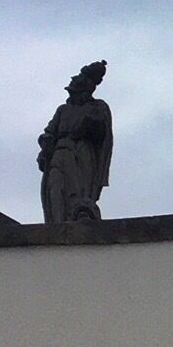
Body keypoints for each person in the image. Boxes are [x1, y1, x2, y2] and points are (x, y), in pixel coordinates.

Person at [38, 61, 113, 224]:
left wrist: (89, 123)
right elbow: (49, 132)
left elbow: (101, 132)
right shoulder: (63, 110)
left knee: (78, 190)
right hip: (59, 152)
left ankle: (80, 215)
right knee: (55, 188)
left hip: (82, 153)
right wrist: (45, 147)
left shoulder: (97, 107)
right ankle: (56, 224)